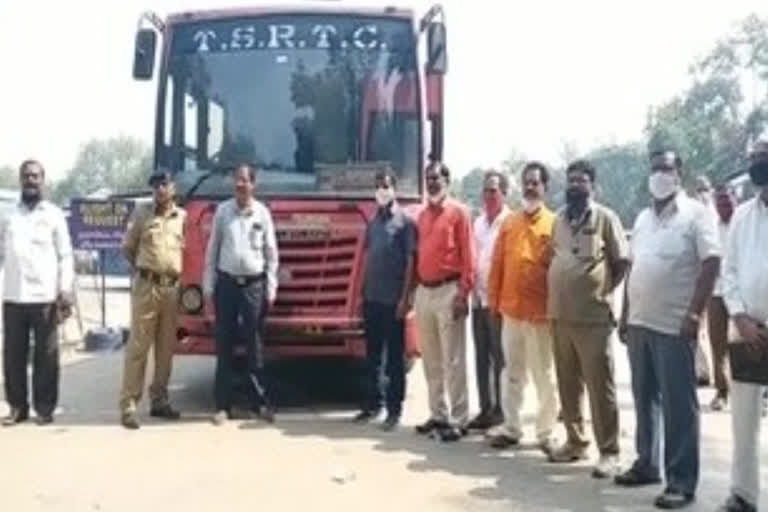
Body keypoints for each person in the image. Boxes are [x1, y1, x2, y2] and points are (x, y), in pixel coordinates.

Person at [616, 150, 720, 510]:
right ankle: (647, 463)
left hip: (675, 325)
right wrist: (626, 312)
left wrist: (695, 315)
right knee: (645, 401)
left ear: (679, 174)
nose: (660, 174)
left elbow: (711, 262)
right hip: (641, 322)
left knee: (679, 405)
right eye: (655, 168)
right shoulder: (644, 217)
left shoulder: (696, 214)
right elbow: (633, 267)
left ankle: (681, 480)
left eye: (667, 168)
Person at [546, 159, 629, 478]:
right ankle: (575, 441)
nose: (574, 186)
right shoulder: (559, 220)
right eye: (571, 181)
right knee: (567, 384)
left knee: (600, 386)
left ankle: (609, 451)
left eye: (581, 181)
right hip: (560, 315)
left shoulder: (606, 218)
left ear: (593, 186)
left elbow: (621, 262)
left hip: (593, 318)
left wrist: (603, 291)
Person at [485, 162, 558, 454]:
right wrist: (493, 301)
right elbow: (497, 265)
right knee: (512, 372)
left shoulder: (554, 223)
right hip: (511, 311)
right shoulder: (510, 223)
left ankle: (545, 432)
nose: (530, 187)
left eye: (535, 183)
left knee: (544, 375)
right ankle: (512, 427)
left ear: (545, 188)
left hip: (540, 314)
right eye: (526, 182)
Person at [203, 163, 279, 426]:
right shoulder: (223, 212)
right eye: (237, 180)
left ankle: (259, 404)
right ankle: (223, 406)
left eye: (245, 180)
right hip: (226, 285)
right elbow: (212, 251)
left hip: (254, 287)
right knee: (224, 344)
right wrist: (208, 286)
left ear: (253, 185)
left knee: (254, 344)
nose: (240, 185)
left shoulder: (263, 214)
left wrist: (271, 288)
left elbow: (271, 254)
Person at [0, 159, 74, 426]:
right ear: (20, 180)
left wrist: (65, 289)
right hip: (13, 296)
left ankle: (44, 409)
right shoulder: (9, 216)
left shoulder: (53, 215)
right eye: (26, 176)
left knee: (47, 357)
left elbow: (65, 255)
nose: (30, 180)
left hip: (45, 297)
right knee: (12, 357)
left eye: (35, 176)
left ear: (43, 180)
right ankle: (17, 408)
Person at [715, 154, 768, 512]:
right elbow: (729, 270)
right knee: (744, 417)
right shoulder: (744, 215)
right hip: (747, 329)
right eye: (755, 157)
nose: (758, 163)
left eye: (764, 156)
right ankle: (744, 494)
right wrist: (740, 317)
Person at [412, 161, 475, 442]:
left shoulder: (459, 213)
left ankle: (459, 418)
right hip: (424, 292)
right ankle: (438, 413)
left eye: (436, 179)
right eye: (428, 179)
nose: (432, 184)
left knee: (454, 359)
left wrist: (464, 293)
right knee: (431, 359)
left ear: (447, 181)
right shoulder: (421, 216)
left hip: (449, 290)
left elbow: (469, 256)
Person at [118, 170, 186, 429]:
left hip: (172, 290)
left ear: (173, 188)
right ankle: (129, 406)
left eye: (164, 184)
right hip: (147, 287)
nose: (160, 189)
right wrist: (144, 271)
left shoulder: (182, 217)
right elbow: (128, 248)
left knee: (166, 350)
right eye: (156, 185)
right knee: (138, 348)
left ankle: (159, 400)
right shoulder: (142, 214)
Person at [353, 170, 416, 431]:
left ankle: (394, 410)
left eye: (386, 186)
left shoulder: (405, 223)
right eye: (378, 186)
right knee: (373, 356)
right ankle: (372, 405)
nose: (382, 190)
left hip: (393, 300)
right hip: (372, 298)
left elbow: (411, 261)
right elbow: (367, 258)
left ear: (395, 189)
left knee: (394, 360)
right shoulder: (373, 223)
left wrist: (405, 299)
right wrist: (360, 292)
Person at [467, 170, 511, 431]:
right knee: (482, 357)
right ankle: (486, 408)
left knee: (501, 357)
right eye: (485, 190)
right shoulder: (478, 223)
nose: (488, 195)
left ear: (504, 193)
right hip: (478, 300)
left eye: (493, 190)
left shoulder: (510, 222)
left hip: (500, 301)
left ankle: (503, 412)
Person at [708, 184, 737, 411]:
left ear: (735, 200)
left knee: (750, 342)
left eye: (727, 201)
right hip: (716, 293)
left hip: (741, 293)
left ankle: (761, 393)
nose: (723, 206)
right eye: (719, 202)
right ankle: (722, 391)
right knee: (718, 343)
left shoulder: (744, 225)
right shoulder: (711, 228)